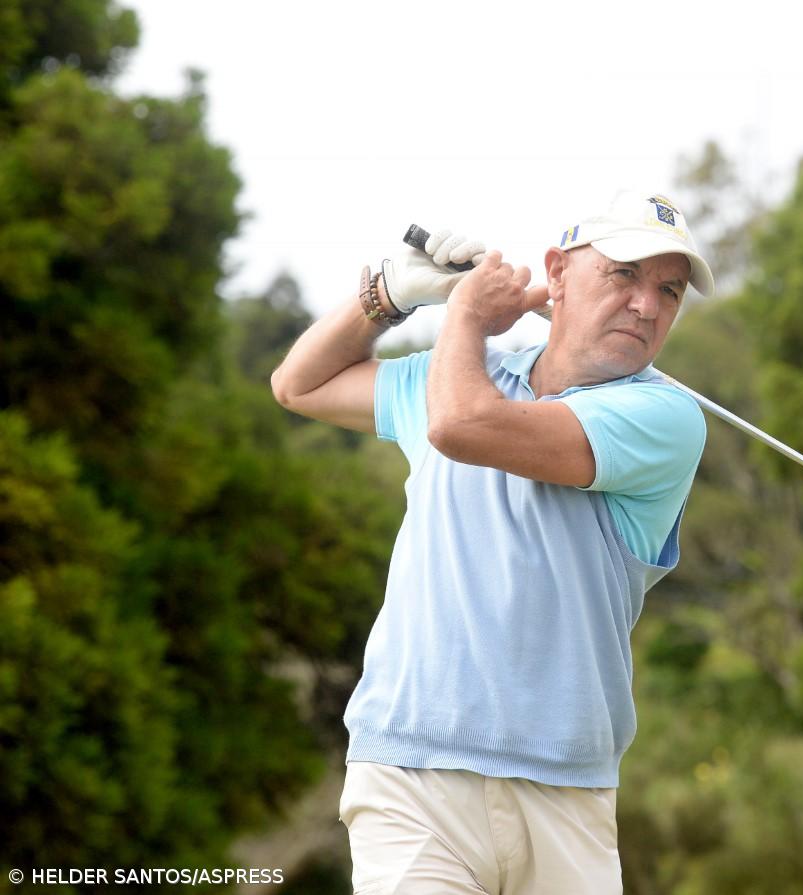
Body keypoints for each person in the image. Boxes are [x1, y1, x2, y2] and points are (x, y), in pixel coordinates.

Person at [270, 190, 715, 894]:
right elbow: (299, 385)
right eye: (623, 274)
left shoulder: (663, 417)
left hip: (566, 795)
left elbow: (462, 425)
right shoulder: (467, 374)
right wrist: (389, 296)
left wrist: (468, 316)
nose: (646, 305)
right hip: (413, 778)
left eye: (669, 289)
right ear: (558, 274)